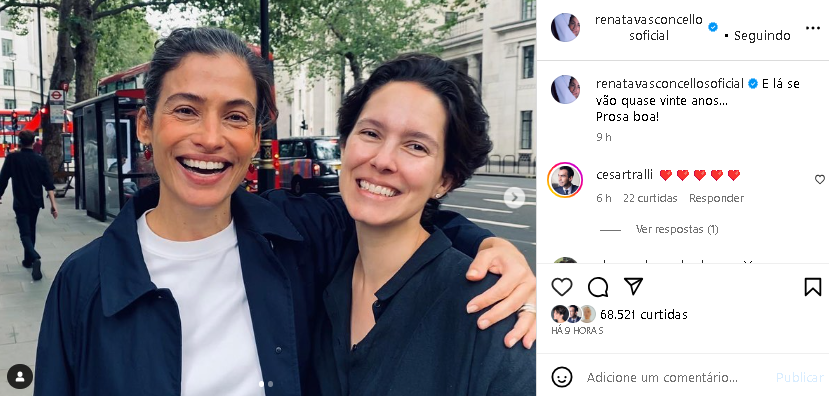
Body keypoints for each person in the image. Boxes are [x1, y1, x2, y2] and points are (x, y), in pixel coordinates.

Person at [34, 28, 536, 396]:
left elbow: (401, 216)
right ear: (145, 125)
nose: (210, 137)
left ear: (255, 137)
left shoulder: (295, 237)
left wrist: (490, 248)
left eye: (235, 116)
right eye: (185, 109)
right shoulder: (85, 284)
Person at [315, 54, 535, 396]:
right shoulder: (316, 272)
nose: (383, 160)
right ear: (344, 145)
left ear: (445, 180)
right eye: (371, 133)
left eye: (416, 146)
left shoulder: (491, 313)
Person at [0, 130, 58, 281]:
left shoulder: (12, 158)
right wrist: (53, 205)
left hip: (20, 202)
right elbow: (49, 185)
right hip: (35, 202)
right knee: (31, 229)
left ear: (20, 142)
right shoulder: (40, 160)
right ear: (33, 142)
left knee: (24, 233)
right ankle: (28, 261)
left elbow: (3, 179)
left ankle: (34, 256)